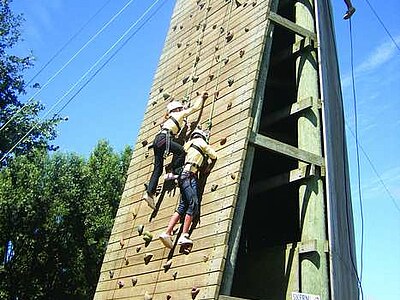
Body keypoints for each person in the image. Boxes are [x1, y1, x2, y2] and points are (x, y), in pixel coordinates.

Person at [142, 92, 209, 209]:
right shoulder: (178, 114)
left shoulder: (168, 119)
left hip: (158, 140)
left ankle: (149, 193)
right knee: (182, 151)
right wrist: (201, 98)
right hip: (164, 139)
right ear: (177, 109)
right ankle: (177, 172)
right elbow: (194, 108)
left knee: (157, 169)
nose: (182, 109)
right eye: (181, 108)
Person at [159, 128, 217, 248]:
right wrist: (209, 167)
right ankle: (184, 235)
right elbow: (214, 156)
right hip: (190, 176)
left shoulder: (188, 144)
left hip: (185, 176)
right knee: (193, 203)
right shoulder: (202, 143)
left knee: (183, 205)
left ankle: (168, 232)